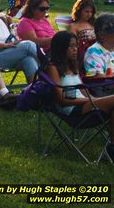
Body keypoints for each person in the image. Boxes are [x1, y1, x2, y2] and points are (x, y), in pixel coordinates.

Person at [45, 31, 114, 159]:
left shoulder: (72, 66)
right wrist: (88, 101)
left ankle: (112, 149)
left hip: (85, 105)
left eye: (76, 45)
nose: (76, 49)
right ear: (61, 47)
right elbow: (61, 99)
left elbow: (83, 90)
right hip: (72, 110)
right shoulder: (53, 68)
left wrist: (93, 99)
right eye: (71, 46)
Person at [83, 14, 114, 81]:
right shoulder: (93, 53)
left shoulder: (112, 49)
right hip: (104, 89)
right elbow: (99, 79)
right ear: (101, 35)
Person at [69, 0, 97, 64]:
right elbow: (73, 43)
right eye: (86, 11)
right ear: (79, 11)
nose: (89, 14)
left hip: (98, 51)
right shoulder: (74, 26)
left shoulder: (94, 24)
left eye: (91, 12)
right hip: (85, 53)